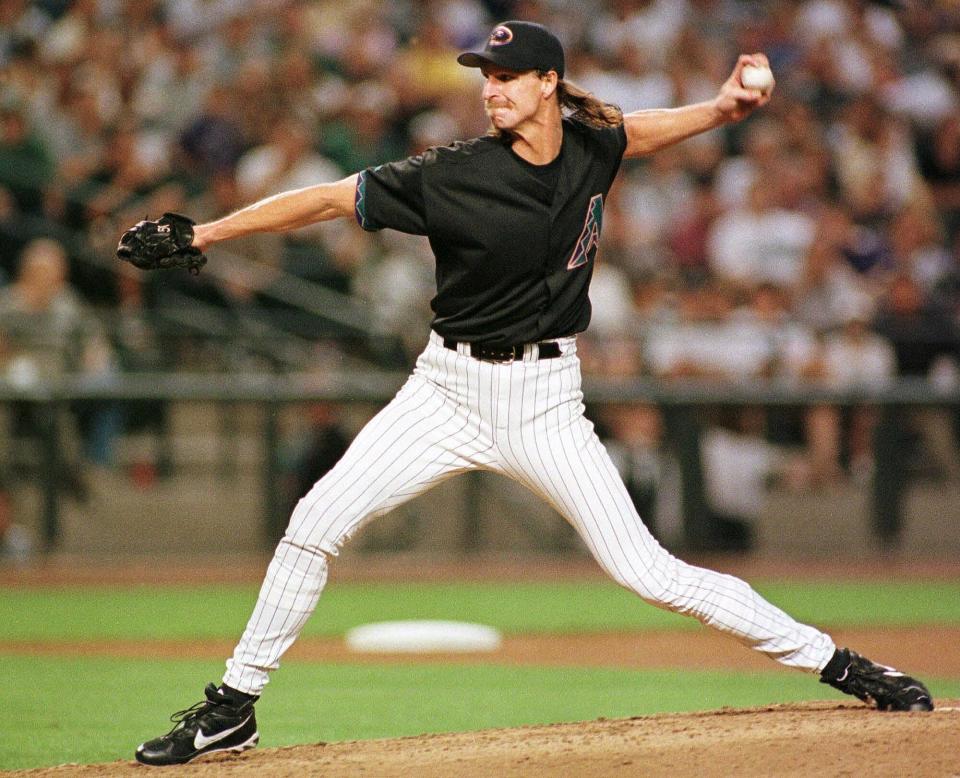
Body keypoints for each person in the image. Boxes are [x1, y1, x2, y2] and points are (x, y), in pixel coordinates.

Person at [133, 21, 933, 768]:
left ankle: (840, 662)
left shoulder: (591, 146)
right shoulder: (451, 173)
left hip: (547, 397)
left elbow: (639, 132)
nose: (492, 88)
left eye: (509, 75)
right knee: (314, 520)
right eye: (487, 75)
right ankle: (235, 703)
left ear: (549, 82)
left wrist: (724, 109)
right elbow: (325, 198)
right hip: (443, 390)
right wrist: (205, 233)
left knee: (648, 572)